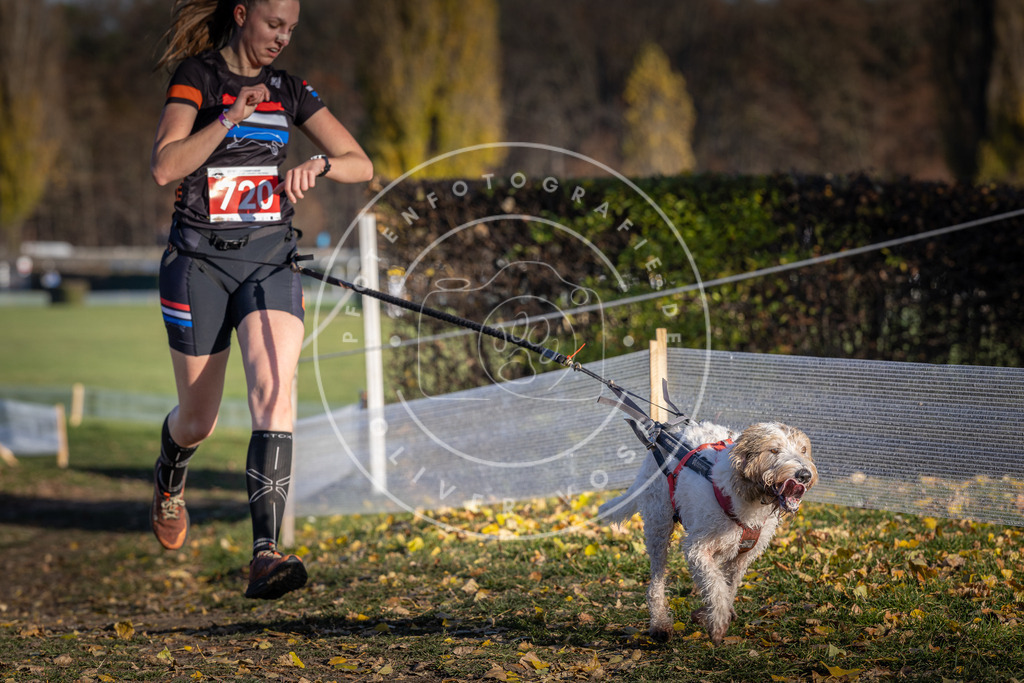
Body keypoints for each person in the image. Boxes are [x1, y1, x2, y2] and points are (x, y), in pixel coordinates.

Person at [149, 0, 373, 600]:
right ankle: (170, 473)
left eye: (291, 29)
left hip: (270, 260)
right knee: (198, 420)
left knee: (275, 391)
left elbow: (361, 164)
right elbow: (165, 167)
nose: (282, 38)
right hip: (199, 264)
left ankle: (265, 554)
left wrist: (319, 165)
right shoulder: (197, 78)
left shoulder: (290, 89)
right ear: (243, 14)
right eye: (274, 25)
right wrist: (228, 119)